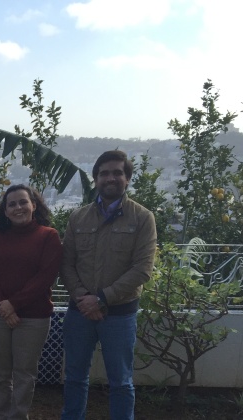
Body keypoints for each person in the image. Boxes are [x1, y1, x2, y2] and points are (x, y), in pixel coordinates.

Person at [60, 150, 157, 420]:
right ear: (95, 179)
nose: (110, 178)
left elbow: (142, 269)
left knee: (121, 382)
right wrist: (83, 298)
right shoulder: (78, 218)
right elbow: (66, 263)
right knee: (75, 377)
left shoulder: (142, 218)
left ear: (127, 179)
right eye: (104, 173)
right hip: (80, 312)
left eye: (117, 172)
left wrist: (101, 298)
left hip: (119, 314)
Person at [0, 185, 62, 420]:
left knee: (25, 374)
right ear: (5, 211)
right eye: (12, 204)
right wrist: (3, 307)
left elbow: (45, 277)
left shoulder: (49, 236)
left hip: (33, 318)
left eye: (23, 202)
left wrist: (12, 304)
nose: (18, 208)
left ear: (34, 205)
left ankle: (18, 416)